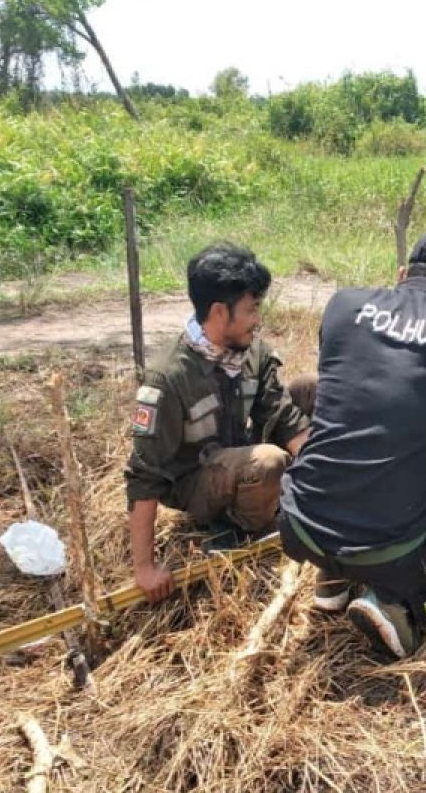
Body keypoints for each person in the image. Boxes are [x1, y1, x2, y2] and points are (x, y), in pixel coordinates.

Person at [278, 228, 426, 659]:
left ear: (402, 274)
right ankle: (393, 604)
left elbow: (348, 378)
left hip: (297, 525)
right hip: (387, 550)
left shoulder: (343, 305)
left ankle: (331, 579)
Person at [125, 242, 314, 602]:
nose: (258, 319)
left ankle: (291, 491)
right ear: (218, 312)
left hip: (235, 451)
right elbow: (143, 476)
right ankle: (233, 527)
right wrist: (144, 568)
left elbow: (282, 414)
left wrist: (319, 466)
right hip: (195, 481)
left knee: (312, 389)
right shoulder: (168, 379)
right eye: (251, 309)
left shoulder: (250, 351)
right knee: (268, 463)